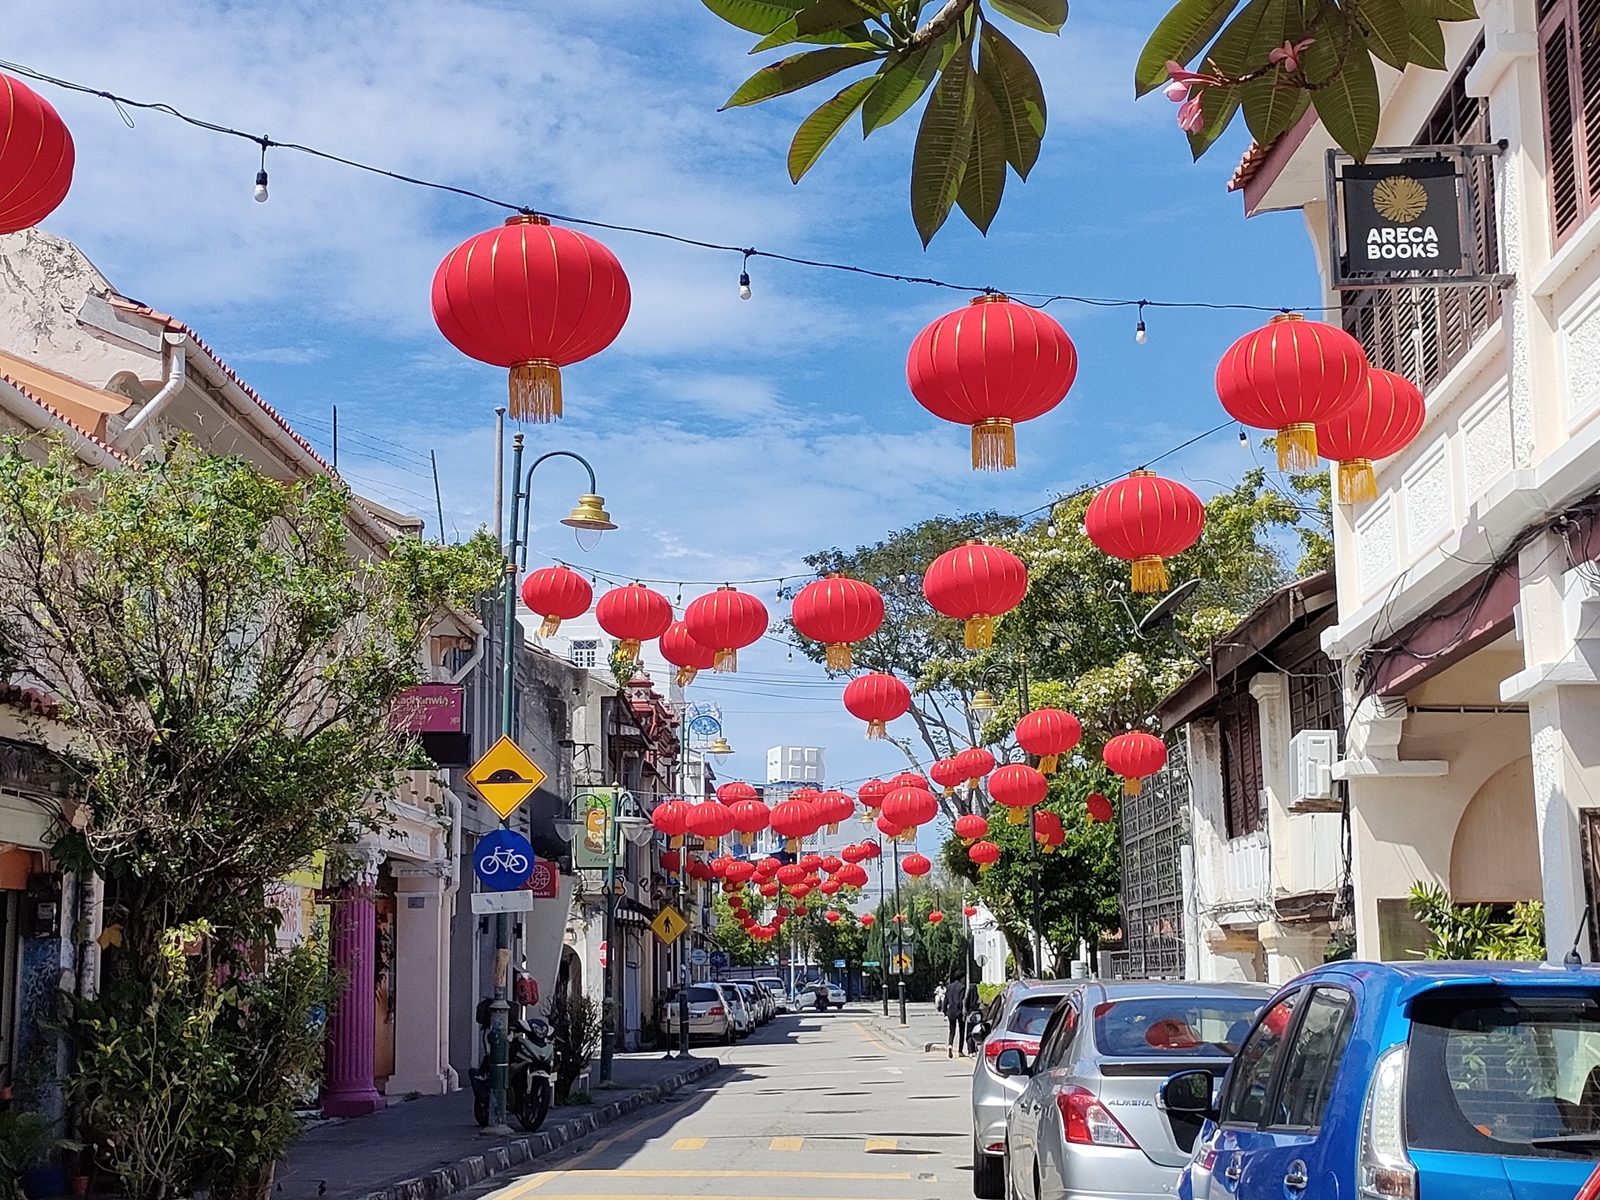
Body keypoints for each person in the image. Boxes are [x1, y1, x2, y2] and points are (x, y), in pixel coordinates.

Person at [940, 972, 967, 1057]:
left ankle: (950, 1044)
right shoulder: (962, 987)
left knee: (952, 1030)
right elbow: (961, 1001)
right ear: (962, 978)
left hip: (950, 1011)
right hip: (958, 1011)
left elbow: (946, 999)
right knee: (961, 1031)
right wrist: (964, 1011)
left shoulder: (949, 987)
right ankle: (960, 1050)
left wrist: (944, 1010)